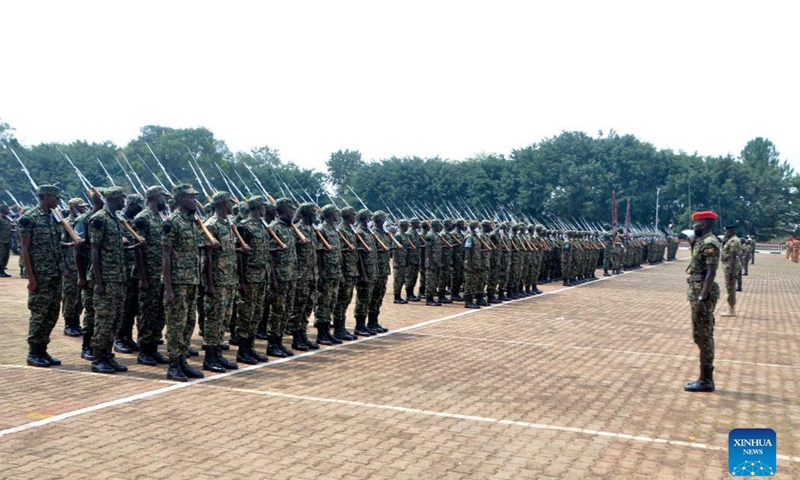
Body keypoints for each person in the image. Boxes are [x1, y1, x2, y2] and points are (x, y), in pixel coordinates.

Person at [19, 185, 77, 367]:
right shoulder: (29, 218)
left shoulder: (54, 217)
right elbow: (25, 249)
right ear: (45, 197)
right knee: (39, 314)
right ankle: (33, 352)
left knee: (52, 313)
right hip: (41, 276)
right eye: (56, 197)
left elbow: (50, 243)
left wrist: (66, 249)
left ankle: (43, 349)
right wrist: (32, 279)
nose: (58, 201)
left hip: (55, 274)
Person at [88, 187, 137, 374]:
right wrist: (98, 281)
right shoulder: (100, 219)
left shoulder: (115, 219)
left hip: (118, 278)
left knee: (116, 319)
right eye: (122, 198)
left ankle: (108, 356)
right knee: (104, 320)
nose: (124, 201)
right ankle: (98, 358)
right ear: (115, 199)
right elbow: (95, 250)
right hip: (106, 280)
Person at [162, 183, 208, 382]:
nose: (194, 201)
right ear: (180, 199)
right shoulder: (172, 222)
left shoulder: (191, 221)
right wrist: (169, 287)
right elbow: (166, 255)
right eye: (191, 198)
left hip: (191, 281)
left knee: (189, 322)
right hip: (178, 283)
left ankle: (182, 361)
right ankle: (173, 365)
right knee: (176, 325)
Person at [200, 192, 242, 373]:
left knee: (224, 319)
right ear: (224, 204)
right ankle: (209, 358)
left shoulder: (227, 224)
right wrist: (208, 284)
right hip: (216, 281)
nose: (232, 205)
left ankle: (218, 354)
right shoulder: (211, 225)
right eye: (230, 203)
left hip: (228, 280)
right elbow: (206, 258)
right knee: (214, 320)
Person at [132, 186, 171, 366]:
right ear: (156, 197)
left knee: (159, 314)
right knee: (147, 314)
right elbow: (138, 250)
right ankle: (144, 351)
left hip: (160, 275)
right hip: (148, 274)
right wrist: (143, 277)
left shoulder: (160, 218)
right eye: (164, 197)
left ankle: (154, 348)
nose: (166, 200)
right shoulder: (142, 218)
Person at [684, 210, 720, 393]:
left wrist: (702, 297)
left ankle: (706, 380)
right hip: (697, 290)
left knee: (704, 334)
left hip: (702, 295)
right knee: (699, 334)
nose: (693, 227)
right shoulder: (701, 242)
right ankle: (704, 377)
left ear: (703, 225)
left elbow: (711, 272)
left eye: (695, 224)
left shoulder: (709, 242)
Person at [234, 196, 272, 364]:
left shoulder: (261, 226)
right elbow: (240, 255)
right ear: (258, 207)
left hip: (261, 277)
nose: (266, 209)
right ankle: (242, 351)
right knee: (245, 315)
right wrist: (241, 280)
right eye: (264, 206)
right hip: (249, 277)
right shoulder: (244, 226)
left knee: (256, 314)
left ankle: (250, 348)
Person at [267, 197, 300, 357]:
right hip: (279, 278)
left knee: (286, 311)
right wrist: (273, 279)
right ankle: (272, 344)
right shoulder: (274, 228)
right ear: (284, 210)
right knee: (277, 312)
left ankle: (279, 342)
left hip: (290, 276)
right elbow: (270, 256)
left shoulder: (288, 228)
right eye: (291, 209)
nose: (293, 212)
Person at [288, 202, 321, 351]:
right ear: (307, 214)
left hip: (312, 275)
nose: (316, 215)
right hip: (301, 276)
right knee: (298, 308)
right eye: (314, 212)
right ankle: (296, 338)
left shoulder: (312, 230)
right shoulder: (297, 230)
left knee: (308, 306)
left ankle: (303, 335)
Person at [315, 204, 349, 343]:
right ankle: (321, 334)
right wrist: (320, 275)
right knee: (323, 303)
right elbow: (319, 254)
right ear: (329, 214)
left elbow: (338, 255)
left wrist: (340, 273)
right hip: (326, 273)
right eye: (336, 213)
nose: (338, 215)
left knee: (331, 303)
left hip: (335, 272)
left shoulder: (333, 230)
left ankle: (328, 332)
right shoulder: (322, 230)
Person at [60, 198, 87, 336]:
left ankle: (76, 323)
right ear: (73, 208)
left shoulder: (82, 222)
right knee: (69, 296)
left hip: (81, 266)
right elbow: (60, 245)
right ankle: (68, 324)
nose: (83, 209)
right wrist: (64, 268)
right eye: (80, 207)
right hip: (70, 266)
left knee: (79, 298)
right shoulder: (66, 223)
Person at [720, 225, 742, 318]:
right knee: (730, 287)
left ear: (731, 230)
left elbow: (733, 256)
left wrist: (730, 270)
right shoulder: (730, 240)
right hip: (729, 265)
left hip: (731, 266)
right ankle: (731, 308)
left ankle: (731, 309)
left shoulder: (734, 241)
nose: (726, 233)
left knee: (730, 287)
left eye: (727, 231)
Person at [0, 204, 14, 277]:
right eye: (7, 209)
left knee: (6, 256)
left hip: (7, 240)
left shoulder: (7, 219)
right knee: (1, 256)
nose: (8, 211)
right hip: (1, 241)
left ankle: (2, 270)